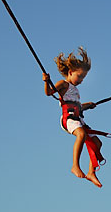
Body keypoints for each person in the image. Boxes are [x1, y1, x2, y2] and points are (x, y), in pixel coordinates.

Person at [43, 47, 104, 188]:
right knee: (81, 135)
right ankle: (75, 165)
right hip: (68, 119)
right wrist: (46, 81)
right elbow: (49, 93)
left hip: (78, 119)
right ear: (70, 72)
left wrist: (88, 105)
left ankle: (91, 172)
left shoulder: (75, 90)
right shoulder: (63, 84)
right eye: (80, 76)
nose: (81, 80)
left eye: (83, 78)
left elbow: (77, 106)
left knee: (97, 143)